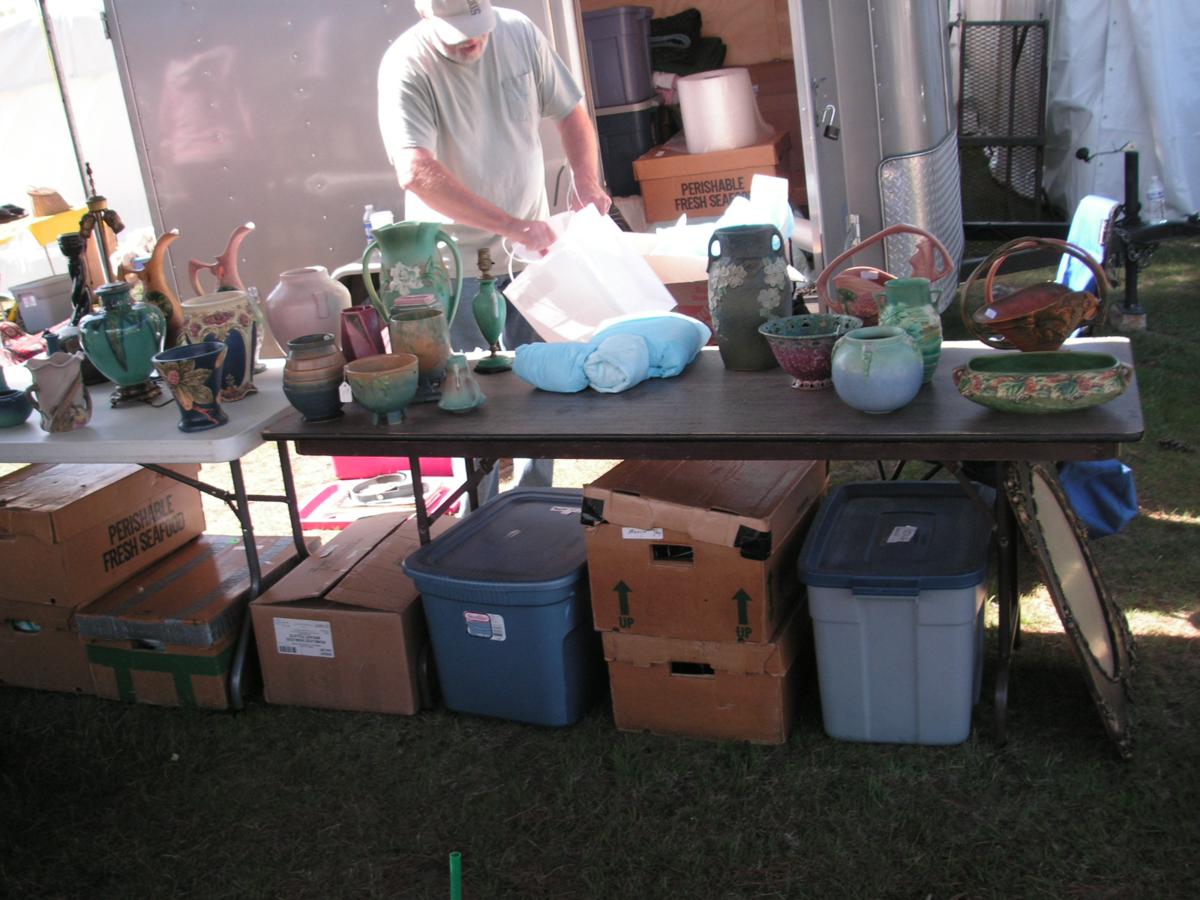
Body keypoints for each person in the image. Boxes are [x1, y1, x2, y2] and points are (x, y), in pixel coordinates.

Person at [377, 0, 611, 505]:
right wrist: (512, 225)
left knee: (544, 385)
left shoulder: (518, 32)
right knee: (465, 401)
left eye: (478, 27)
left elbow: (570, 112)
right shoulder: (406, 65)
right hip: (452, 264)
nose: (472, 39)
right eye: (457, 32)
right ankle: (478, 513)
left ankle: (534, 503)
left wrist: (587, 180)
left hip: (530, 255)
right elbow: (414, 171)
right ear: (424, 15)